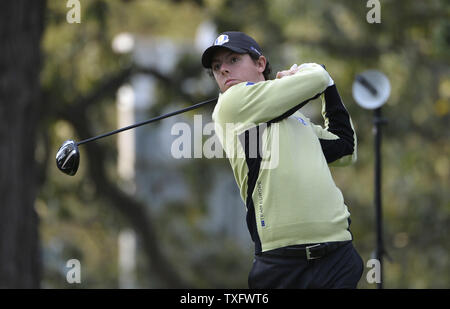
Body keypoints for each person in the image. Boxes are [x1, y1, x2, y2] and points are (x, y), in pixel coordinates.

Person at [201, 31, 364, 288]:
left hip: (337, 255)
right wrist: (318, 72)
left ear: (260, 64)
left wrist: (330, 88)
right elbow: (317, 77)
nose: (223, 71)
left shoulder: (296, 120)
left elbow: (345, 148)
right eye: (216, 67)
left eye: (233, 60)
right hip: (282, 264)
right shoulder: (231, 105)